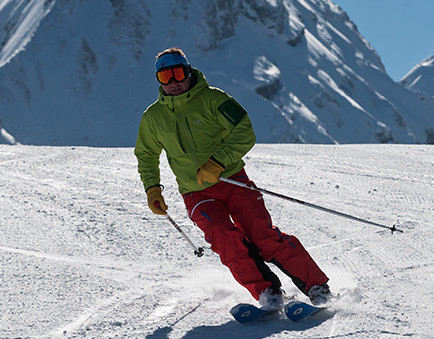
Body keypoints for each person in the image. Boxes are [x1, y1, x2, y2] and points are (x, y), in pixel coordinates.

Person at [135, 47, 331, 311]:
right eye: (165, 77)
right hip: (196, 193)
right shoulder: (153, 117)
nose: (173, 83)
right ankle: (267, 292)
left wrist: (218, 162)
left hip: (232, 181)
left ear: (189, 71)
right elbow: (146, 154)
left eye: (178, 73)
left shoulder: (214, 100)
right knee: (225, 239)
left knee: (262, 236)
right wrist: (152, 189)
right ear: (158, 80)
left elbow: (244, 131)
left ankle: (316, 286)